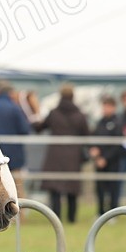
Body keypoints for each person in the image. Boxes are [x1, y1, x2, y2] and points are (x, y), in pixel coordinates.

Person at [33, 84, 89, 223]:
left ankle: (56, 218)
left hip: (55, 155)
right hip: (73, 156)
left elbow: (39, 127)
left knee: (55, 189)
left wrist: (34, 116)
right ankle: (71, 218)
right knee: (72, 189)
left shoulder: (54, 113)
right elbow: (87, 135)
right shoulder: (80, 115)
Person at [0, 82, 31, 200]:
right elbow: (25, 129)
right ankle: (20, 213)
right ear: (10, 93)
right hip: (15, 154)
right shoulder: (15, 108)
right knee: (17, 185)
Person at [89, 95, 125, 215]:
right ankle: (100, 212)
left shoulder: (118, 122)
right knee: (99, 189)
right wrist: (95, 152)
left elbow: (118, 144)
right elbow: (94, 139)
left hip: (113, 161)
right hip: (99, 162)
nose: (105, 109)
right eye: (104, 106)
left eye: (107, 106)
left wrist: (105, 158)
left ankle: (113, 213)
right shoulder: (100, 122)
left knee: (113, 188)